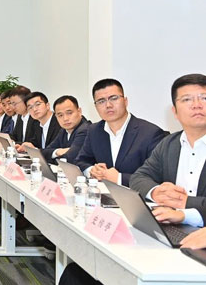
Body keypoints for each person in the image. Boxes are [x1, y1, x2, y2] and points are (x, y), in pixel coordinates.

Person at [130, 73, 206, 227]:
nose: (197, 105)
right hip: (174, 226)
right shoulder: (169, 143)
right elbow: (138, 177)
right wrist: (156, 192)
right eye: (187, 99)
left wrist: (185, 208)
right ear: (175, 112)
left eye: (204, 98)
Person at [76, 78, 165, 186]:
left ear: (125, 101)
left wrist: (119, 178)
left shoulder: (151, 133)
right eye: (101, 101)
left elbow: (157, 177)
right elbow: (81, 161)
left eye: (114, 98)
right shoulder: (94, 130)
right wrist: (92, 170)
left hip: (134, 195)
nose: (108, 105)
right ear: (96, 106)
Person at [41, 95, 91, 164]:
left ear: (79, 111)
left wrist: (49, 158)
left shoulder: (85, 129)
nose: (65, 119)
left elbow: (70, 159)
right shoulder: (63, 130)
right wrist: (57, 151)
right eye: (60, 115)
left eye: (69, 113)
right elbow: (44, 152)